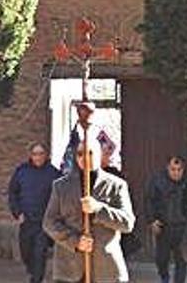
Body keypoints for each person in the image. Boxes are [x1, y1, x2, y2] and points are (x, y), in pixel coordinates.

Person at [43, 102, 136, 283]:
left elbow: (127, 223)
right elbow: (49, 222)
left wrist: (99, 209)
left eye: (90, 153)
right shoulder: (61, 186)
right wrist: (74, 241)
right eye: (80, 154)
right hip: (69, 269)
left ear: (99, 153)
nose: (84, 158)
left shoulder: (117, 185)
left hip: (106, 269)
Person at [8, 142, 62, 283]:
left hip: (44, 224)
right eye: (35, 154)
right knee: (26, 252)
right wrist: (17, 212)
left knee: (39, 254)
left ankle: (36, 279)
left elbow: (61, 197)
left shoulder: (54, 174)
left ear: (46, 155)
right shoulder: (21, 171)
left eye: (40, 154)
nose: (37, 157)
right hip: (26, 221)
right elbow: (13, 193)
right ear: (30, 156)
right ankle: (32, 272)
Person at [146, 156, 187, 283]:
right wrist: (151, 221)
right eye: (173, 169)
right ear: (167, 169)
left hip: (183, 228)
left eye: (179, 169)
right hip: (164, 227)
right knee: (161, 259)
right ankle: (164, 277)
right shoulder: (157, 181)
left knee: (181, 261)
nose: (176, 172)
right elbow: (149, 201)